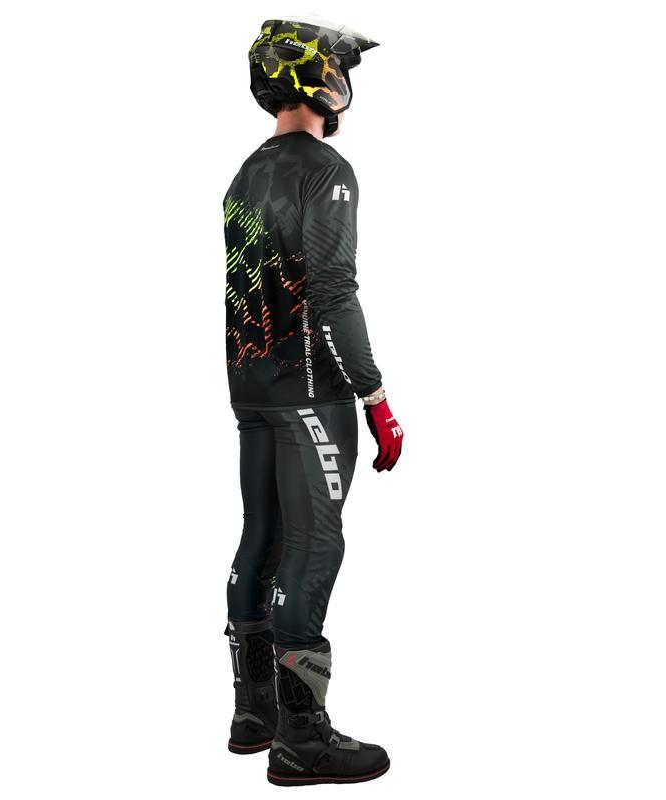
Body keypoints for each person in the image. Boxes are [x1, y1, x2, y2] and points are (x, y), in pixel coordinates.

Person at [222, 16, 404, 787]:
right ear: (321, 80)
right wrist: (375, 394)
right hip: (310, 395)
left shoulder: (244, 174)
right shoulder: (326, 168)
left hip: (251, 389)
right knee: (314, 547)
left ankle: (253, 714)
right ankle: (302, 741)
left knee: (260, 539)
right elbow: (332, 292)